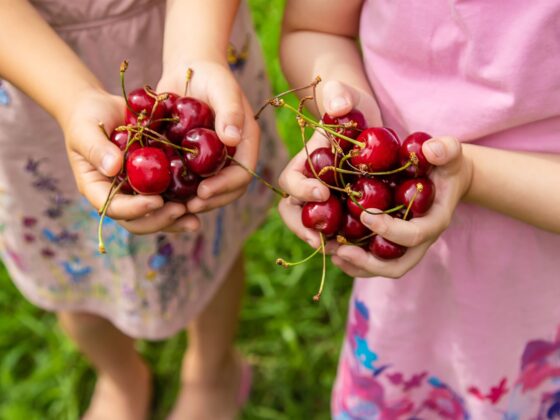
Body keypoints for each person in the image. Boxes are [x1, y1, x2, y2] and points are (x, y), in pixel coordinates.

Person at [0, 0, 286, 419]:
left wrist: (197, 53)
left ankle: (211, 371)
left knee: (209, 245)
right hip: (33, 84)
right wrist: (71, 99)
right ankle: (121, 378)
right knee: (74, 267)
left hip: (188, 36)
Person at [279, 0, 560, 418]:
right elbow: (313, 29)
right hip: (406, 282)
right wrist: (344, 111)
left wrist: (471, 174)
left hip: (537, 282)